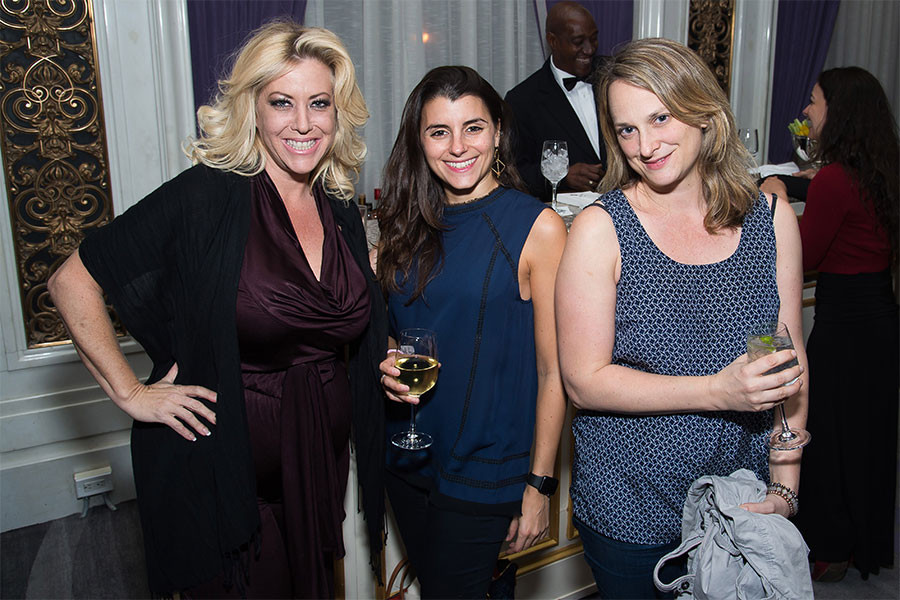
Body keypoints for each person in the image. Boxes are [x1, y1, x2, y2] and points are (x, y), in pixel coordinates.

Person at [47, 21, 386, 599]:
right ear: (252, 107)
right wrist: (131, 393)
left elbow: (348, 323)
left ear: (338, 111)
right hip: (225, 478)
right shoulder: (207, 195)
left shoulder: (339, 207)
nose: (303, 123)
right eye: (282, 102)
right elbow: (70, 279)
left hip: (315, 469)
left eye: (318, 103)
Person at [555, 38, 808, 599]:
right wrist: (719, 391)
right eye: (626, 129)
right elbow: (583, 380)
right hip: (632, 505)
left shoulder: (769, 220)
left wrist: (786, 484)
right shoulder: (603, 229)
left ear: (702, 111)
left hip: (738, 496)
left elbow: (785, 361)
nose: (645, 145)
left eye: (660, 117)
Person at [375, 66, 567, 598]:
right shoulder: (406, 222)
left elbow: (555, 372)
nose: (457, 147)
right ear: (419, 140)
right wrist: (387, 355)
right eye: (439, 132)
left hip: (486, 470)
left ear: (499, 131)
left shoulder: (536, 227)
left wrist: (539, 486)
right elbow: (393, 327)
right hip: (408, 455)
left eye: (473, 128)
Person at [762, 67, 899, 583]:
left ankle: (831, 547)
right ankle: (864, 543)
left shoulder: (837, 180)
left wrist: (774, 199)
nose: (807, 111)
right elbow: (828, 191)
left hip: (843, 325)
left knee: (833, 436)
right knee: (870, 437)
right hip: (882, 317)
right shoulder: (879, 166)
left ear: (838, 112)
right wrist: (800, 184)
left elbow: (809, 250)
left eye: (815, 102)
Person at [505, 1, 606, 201]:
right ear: (553, 41)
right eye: (578, 41)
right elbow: (515, 172)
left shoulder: (614, 76)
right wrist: (561, 177)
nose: (589, 49)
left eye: (593, 39)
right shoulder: (522, 100)